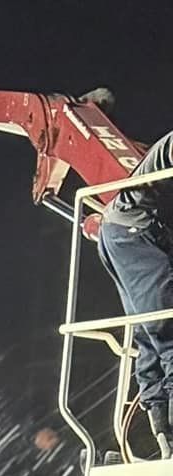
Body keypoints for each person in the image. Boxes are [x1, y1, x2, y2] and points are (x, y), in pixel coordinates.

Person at [96, 128, 173, 458]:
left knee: (147, 330)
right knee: (165, 325)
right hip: (133, 231)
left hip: (123, 233)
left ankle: (162, 434)